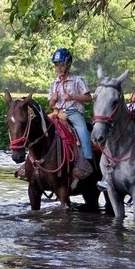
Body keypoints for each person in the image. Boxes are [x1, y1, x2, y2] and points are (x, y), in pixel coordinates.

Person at [47, 47, 94, 179]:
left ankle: (87, 159)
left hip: (73, 112)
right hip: (57, 112)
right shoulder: (54, 83)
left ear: (68, 64)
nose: (59, 68)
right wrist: (53, 100)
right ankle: (33, 160)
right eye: (56, 65)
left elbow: (89, 98)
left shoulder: (78, 80)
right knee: (41, 127)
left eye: (62, 65)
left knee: (83, 131)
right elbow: (50, 105)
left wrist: (73, 97)